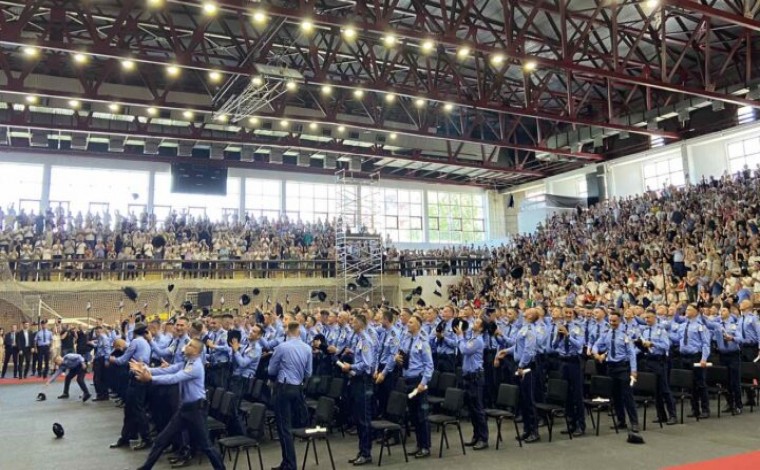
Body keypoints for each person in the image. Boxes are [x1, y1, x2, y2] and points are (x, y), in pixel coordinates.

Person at [131, 338, 226, 470]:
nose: (186, 346)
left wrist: (150, 379)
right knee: (161, 440)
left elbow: (174, 378)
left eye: (190, 345)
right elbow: (168, 370)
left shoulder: (196, 366)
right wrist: (145, 369)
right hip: (185, 409)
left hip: (196, 410)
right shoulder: (187, 362)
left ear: (197, 352)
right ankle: (146, 467)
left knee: (206, 446)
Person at [268, 321, 312, 470]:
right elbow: (309, 373)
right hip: (297, 388)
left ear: (287, 332)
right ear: (299, 332)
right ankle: (287, 462)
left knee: (284, 427)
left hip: (284, 387)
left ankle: (290, 464)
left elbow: (272, 369)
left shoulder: (282, 347)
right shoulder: (307, 348)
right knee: (290, 426)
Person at [592, 311, 640, 432]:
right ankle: (621, 421)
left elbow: (631, 353)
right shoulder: (606, 333)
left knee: (627, 396)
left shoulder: (625, 334)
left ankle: (634, 422)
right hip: (611, 367)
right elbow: (596, 345)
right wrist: (596, 354)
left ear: (620, 321)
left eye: (614, 321)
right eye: (611, 321)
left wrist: (633, 370)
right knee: (616, 396)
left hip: (623, 367)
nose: (612, 323)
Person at [109, 322, 153, 450]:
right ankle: (127, 436)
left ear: (134, 332)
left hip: (136, 377)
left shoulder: (135, 342)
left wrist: (113, 360)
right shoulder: (145, 343)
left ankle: (145, 438)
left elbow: (123, 360)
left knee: (136, 410)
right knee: (131, 409)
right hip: (141, 376)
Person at [395, 314, 433, 458]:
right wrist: (397, 359)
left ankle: (425, 446)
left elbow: (429, 366)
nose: (407, 324)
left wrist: (423, 383)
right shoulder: (406, 341)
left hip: (418, 382)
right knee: (413, 415)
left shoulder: (423, 342)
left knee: (422, 415)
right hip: (408, 380)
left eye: (411, 322)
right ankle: (419, 444)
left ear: (418, 325)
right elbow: (402, 358)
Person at [500, 307, 540, 443]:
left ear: (530, 316)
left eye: (529, 311)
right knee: (523, 400)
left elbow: (529, 351)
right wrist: (506, 351)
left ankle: (534, 431)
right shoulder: (523, 328)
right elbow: (519, 347)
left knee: (529, 400)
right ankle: (526, 430)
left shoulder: (530, 331)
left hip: (527, 367)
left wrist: (522, 365)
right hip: (521, 366)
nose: (525, 311)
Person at [342, 314, 375, 466]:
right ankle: (362, 450)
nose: (351, 324)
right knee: (358, 418)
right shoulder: (358, 339)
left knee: (364, 419)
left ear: (361, 324)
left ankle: (366, 453)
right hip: (356, 381)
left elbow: (367, 365)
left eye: (353, 322)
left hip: (363, 382)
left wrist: (352, 366)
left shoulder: (365, 340)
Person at [638, 310, 677, 425]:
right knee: (655, 391)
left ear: (655, 318)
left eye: (649, 317)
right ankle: (661, 415)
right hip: (649, 360)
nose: (647, 320)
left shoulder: (661, 330)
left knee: (664, 389)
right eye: (645, 318)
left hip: (660, 361)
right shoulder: (645, 331)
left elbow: (666, 346)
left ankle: (673, 415)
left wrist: (653, 344)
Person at [456, 317, 489, 449]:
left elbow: (464, 350)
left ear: (481, 328)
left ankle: (483, 438)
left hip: (476, 377)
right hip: (469, 377)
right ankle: (476, 435)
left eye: (476, 323)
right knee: (472, 409)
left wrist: (460, 336)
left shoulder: (477, 340)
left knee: (478, 409)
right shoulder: (471, 338)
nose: (473, 323)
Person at [554, 308, 586, 436]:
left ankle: (580, 425)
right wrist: (558, 337)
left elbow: (579, 345)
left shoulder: (578, 327)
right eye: (566, 313)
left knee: (577, 395)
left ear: (574, 315)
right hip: (563, 362)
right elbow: (554, 346)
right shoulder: (560, 327)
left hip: (574, 362)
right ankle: (570, 423)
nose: (568, 315)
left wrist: (568, 335)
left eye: (570, 313)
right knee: (566, 395)